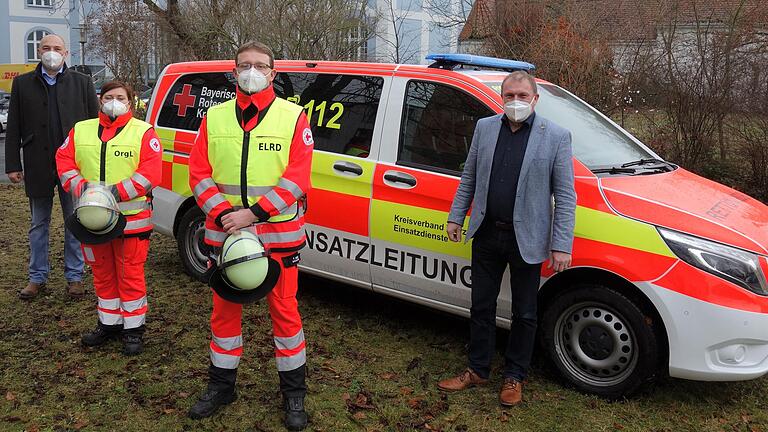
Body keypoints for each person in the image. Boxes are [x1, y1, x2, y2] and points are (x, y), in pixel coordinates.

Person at [187, 41, 314, 431]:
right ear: (234, 71)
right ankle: (221, 386)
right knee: (224, 313)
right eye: (245, 65)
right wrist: (226, 214)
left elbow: (297, 178)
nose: (252, 71)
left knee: (285, 313)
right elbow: (198, 174)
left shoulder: (294, 118)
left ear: (274, 74)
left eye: (261, 66)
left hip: (277, 236)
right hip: (224, 235)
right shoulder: (215, 117)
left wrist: (253, 214)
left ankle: (293, 393)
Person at [437, 71, 576, 406]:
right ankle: (478, 369)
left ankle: (515, 375)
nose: (515, 102)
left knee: (525, 313)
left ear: (535, 99)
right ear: (502, 97)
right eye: (509, 95)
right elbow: (469, 176)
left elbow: (565, 195)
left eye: (522, 96)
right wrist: (457, 216)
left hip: (526, 238)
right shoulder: (485, 128)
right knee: (481, 306)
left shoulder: (555, 136)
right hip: (486, 234)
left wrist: (561, 244)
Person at [55, 80, 162, 355]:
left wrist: (111, 193)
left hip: (132, 220)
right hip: (92, 219)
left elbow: (151, 173)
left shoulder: (143, 132)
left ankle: (134, 329)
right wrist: (83, 187)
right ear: (100, 100)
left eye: (120, 97)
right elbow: (64, 161)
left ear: (130, 101)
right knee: (102, 274)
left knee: (130, 274)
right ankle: (109, 323)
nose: (114, 101)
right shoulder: (81, 130)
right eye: (108, 96)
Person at [5, 34, 99, 299]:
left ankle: (75, 276)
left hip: (74, 166)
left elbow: (95, 126)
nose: (51, 52)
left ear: (66, 53)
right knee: (38, 223)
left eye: (57, 48)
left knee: (76, 221)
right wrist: (13, 163)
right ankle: (37, 277)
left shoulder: (82, 83)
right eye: (45, 48)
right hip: (37, 163)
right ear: (39, 53)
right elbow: (13, 127)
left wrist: (93, 165)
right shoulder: (23, 84)